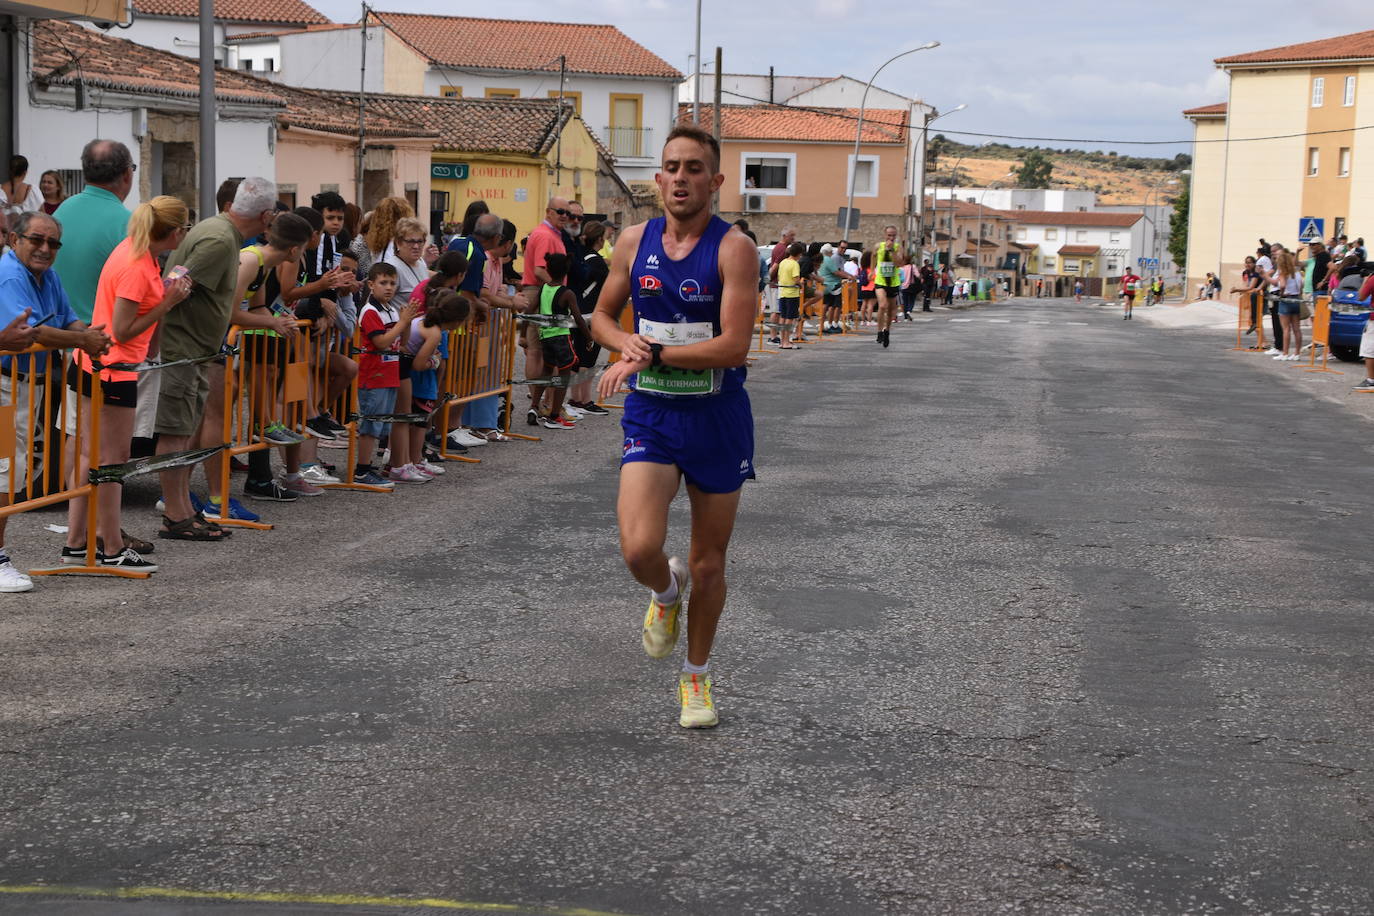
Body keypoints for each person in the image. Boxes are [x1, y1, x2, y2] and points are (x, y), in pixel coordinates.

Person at [590, 123, 758, 729]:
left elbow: (734, 346)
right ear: (657, 178)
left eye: (693, 168)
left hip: (716, 417)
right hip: (653, 414)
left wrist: (651, 354)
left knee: (709, 561)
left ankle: (697, 679)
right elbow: (602, 316)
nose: (680, 178)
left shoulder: (734, 248)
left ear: (714, 181)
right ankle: (664, 593)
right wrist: (621, 342)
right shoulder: (634, 242)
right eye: (671, 167)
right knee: (639, 548)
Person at [62, 196, 193, 571]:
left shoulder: (141, 254)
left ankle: (76, 543)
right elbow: (122, 330)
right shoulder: (137, 263)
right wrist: (168, 303)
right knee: (111, 462)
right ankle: (112, 549)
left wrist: (165, 298)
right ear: (175, 231)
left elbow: (146, 335)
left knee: (92, 457)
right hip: (111, 368)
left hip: (99, 364)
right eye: (183, 228)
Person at [154, 176, 278, 541]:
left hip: (193, 348)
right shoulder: (220, 240)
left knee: (182, 431)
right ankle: (176, 514)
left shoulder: (219, 231)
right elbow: (175, 281)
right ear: (267, 215)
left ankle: (182, 509)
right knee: (176, 432)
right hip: (184, 348)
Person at [0, 211, 111, 590]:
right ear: (14, 239)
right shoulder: (10, 274)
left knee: (11, 472)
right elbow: (31, 333)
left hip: (27, 385)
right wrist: (84, 341)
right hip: (7, 383)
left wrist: (90, 334)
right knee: (4, 473)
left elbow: (67, 319)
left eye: (53, 243)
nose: (45, 249)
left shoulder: (47, 277)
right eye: (36, 240)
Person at [51, 140, 135, 323]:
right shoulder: (130, 224)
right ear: (127, 174)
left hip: (55, 338)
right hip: (97, 341)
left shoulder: (61, 210)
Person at [354, 262, 415, 486]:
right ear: (371, 285)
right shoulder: (370, 311)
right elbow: (380, 342)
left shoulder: (390, 309)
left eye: (392, 283)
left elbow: (403, 343)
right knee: (371, 423)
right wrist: (403, 323)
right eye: (383, 283)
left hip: (389, 373)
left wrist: (405, 323)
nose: (389, 287)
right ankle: (362, 470)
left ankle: (371, 467)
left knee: (382, 423)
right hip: (374, 375)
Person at [533, 252, 587, 428]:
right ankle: (554, 416)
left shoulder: (543, 289)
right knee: (563, 377)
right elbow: (578, 319)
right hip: (561, 337)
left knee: (546, 373)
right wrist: (589, 337)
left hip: (545, 337)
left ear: (547, 269)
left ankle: (534, 407)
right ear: (567, 271)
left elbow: (529, 308)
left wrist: (527, 332)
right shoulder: (567, 293)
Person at [566, 218, 610, 416]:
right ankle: (583, 400)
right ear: (599, 239)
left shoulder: (579, 257)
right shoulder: (597, 262)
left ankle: (575, 399)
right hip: (592, 315)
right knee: (588, 360)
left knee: (578, 358)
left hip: (576, 313)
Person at [1262, 248, 1303, 360]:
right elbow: (1301, 285)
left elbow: (1283, 285)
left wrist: (1282, 293)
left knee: (1286, 329)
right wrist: (1298, 294)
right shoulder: (1296, 272)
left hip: (1286, 300)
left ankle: (1285, 353)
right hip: (1296, 299)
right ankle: (1297, 353)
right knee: (1297, 329)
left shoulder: (1282, 272)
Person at [871, 225, 904, 347]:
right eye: (889, 235)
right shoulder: (878, 246)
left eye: (893, 235)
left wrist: (892, 251)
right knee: (883, 305)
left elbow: (899, 263)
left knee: (890, 310)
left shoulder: (898, 247)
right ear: (885, 235)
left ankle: (887, 331)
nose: (891, 237)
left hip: (893, 282)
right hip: (880, 281)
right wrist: (871, 270)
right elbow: (873, 256)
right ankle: (879, 331)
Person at [774, 242, 803, 349]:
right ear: (799, 254)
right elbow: (796, 279)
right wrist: (801, 284)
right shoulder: (795, 264)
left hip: (782, 292)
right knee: (790, 318)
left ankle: (782, 341)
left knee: (783, 317)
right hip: (792, 294)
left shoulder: (783, 262)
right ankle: (786, 341)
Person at [1230, 256, 1262, 336]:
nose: (1247, 264)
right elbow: (1246, 285)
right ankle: (1260, 342)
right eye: (1246, 262)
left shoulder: (1255, 272)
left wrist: (1237, 289)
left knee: (1258, 320)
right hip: (1250, 296)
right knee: (1252, 318)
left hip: (1259, 296)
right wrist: (1241, 290)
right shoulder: (1247, 272)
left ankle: (1263, 342)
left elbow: (1251, 286)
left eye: (1250, 262)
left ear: (1254, 263)